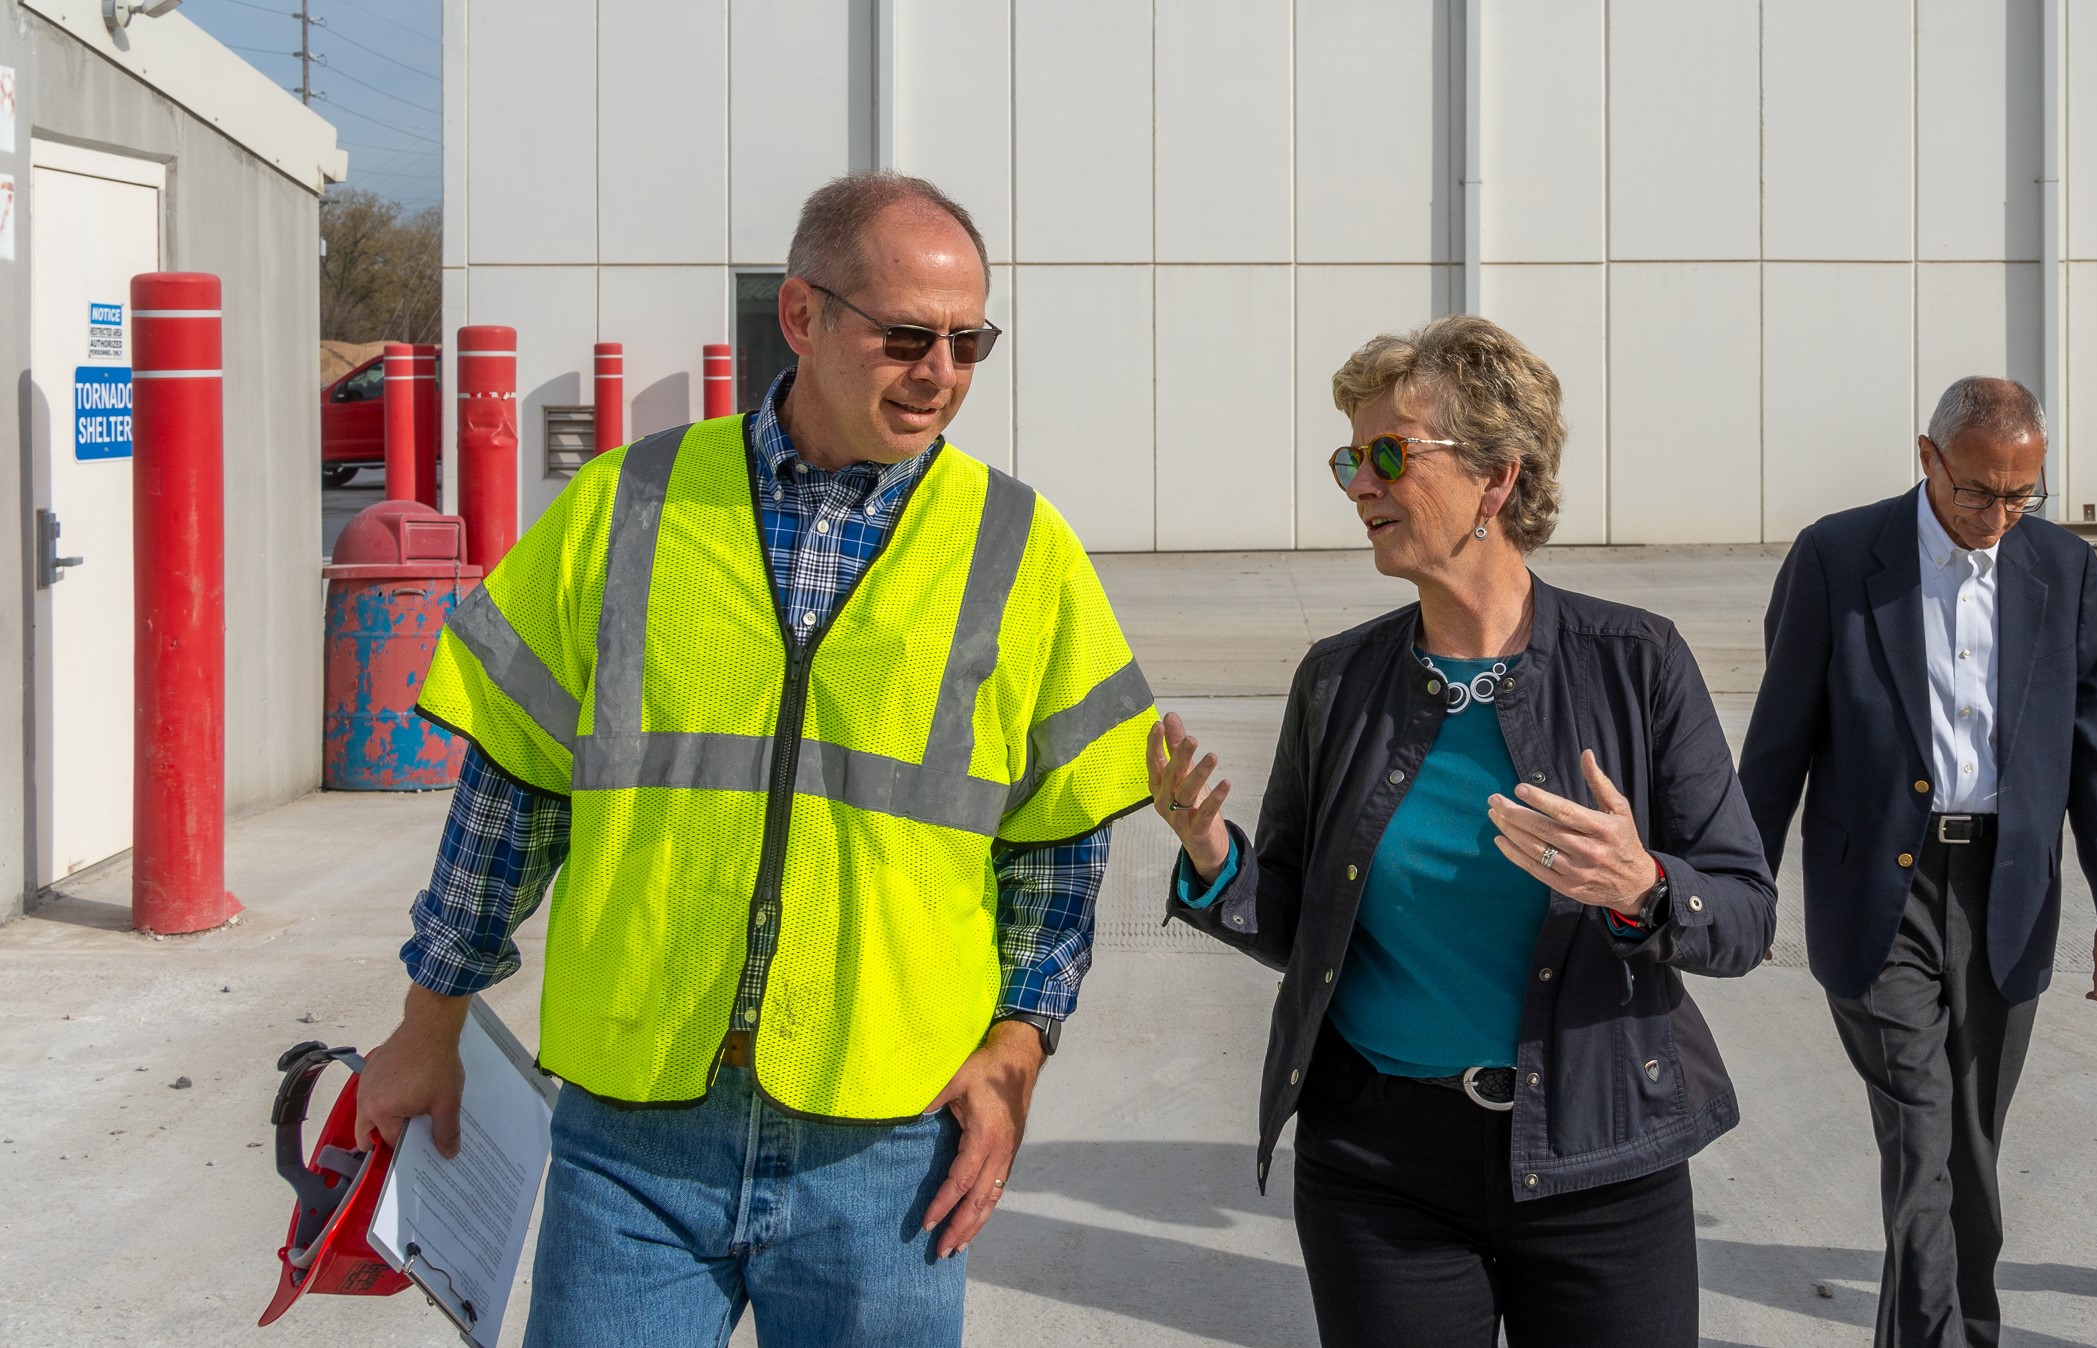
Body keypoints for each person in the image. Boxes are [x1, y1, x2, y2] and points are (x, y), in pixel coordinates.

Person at [354, 172, 1156, 1347]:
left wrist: (1018, 1045)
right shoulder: (624, 505)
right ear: (801, 316)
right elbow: (511, 797)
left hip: (886, 1141)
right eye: (904, 336)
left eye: (967, 339)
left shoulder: (1021, 549)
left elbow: (1058, 848)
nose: (939, 371)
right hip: (632, 1134)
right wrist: (430, 1020)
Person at [1148, 315, 1776, 1347]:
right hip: (1379, 1172)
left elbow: (1743, 916)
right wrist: (1214, 858)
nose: (1359, 483)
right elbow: (1302, 922)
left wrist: (1642, 884)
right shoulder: (1338, 679)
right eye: (1350, 456)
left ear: (1496, 478)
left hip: (1601, 1158)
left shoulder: (1638, 662)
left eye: (1390, 453)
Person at [1738, 376, 2097, 1347]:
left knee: (1968, 1149)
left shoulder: (2063, 569)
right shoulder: (1839, 558)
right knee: (1924, 1135)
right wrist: (1740, 886)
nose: (1997, 516)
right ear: (1926, 459)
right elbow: (1777, 741)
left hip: (2008, 892)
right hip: (1881, 891)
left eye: (2020, 496)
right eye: (1976, 493)